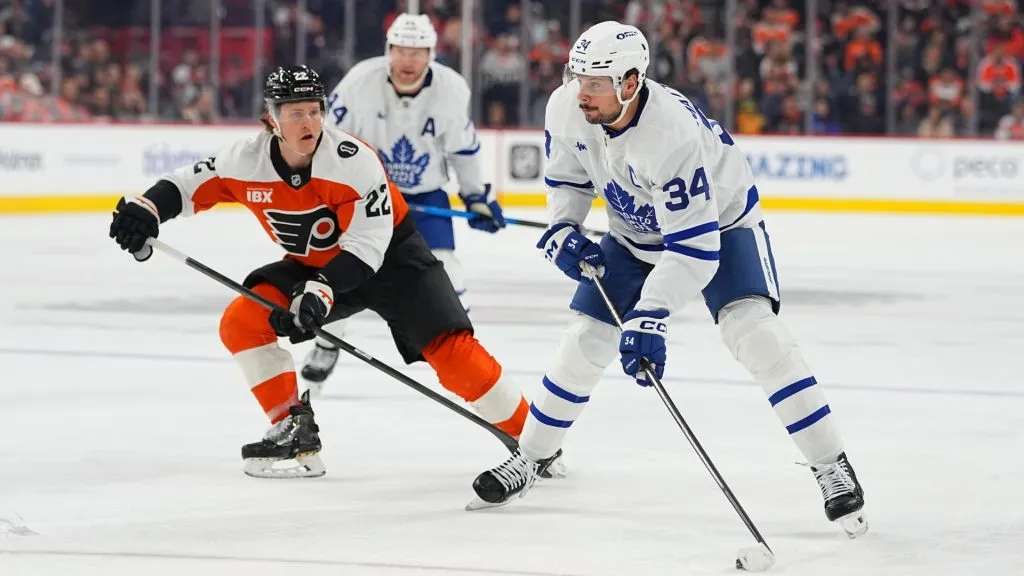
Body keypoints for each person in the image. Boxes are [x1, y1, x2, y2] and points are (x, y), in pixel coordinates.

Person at [467, 22, 867, 538]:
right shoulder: (566, 106)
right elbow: (568, 178)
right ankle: (531, 458)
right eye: (577, 76)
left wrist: (650, 314)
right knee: (586, 339)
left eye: (595, 81)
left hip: (720, 228)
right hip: (632, 231)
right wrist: (564, 226)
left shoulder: (669, 132)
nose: (579, 90)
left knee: (756, 335)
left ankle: (830, 463)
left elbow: (695, 252)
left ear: (630, 83)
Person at [108, 65, 548, 479]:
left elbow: (368, 247)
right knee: (242, 322)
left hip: (395, 264)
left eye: (315, 111)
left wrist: (319, 292)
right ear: (271, 119)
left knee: (453, 357)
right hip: (315, 267)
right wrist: (146, 210)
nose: (309, 123)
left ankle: (537, 442)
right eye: (296, 113)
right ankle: (291, 429)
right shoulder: (244, 160)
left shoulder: (354, 161)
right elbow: (186, 185)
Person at [303, 13, 504, 389]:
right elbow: (328, 143)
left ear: (431, 54)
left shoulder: (452, 88)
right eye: (400, 51)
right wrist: (328, 192)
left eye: (417, 52)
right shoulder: (361, 81)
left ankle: (456, 349)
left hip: (425, 195)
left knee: (446, 271)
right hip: (368, 196)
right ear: (388, 51)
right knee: (344, 272)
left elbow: (463, 149)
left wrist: (476, 195)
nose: (408, 61)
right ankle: (329, 342)